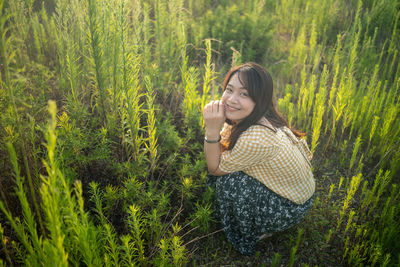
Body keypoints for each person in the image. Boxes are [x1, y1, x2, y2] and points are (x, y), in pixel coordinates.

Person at [203, 62, 315, 255]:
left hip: (289, 208)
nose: (231, 99)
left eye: (244, 94)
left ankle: (251, 234)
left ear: (259, 99)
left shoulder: (256, 138)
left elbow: (215, 167)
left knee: (229, 182)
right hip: (299, 194)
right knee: (229, 169)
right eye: (229, 89)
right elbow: (224, 147)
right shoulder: (263, 116)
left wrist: (211, 128)